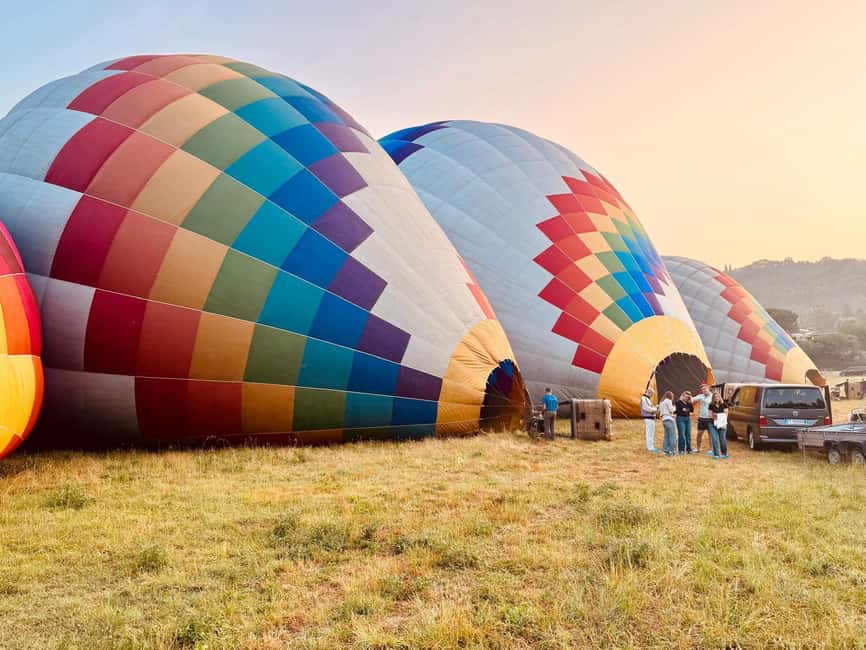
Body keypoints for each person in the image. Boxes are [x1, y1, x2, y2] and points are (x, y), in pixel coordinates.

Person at [691, 384, 713, 453]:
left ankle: (711, 449)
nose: (704, 390)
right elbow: (692, 399)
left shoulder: (713, 396)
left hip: (710, 418)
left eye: (705, 389)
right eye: (703, 389)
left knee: (711, 435)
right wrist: (688, 396)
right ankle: (698, 448)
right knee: (699, 434)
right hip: (702, 418)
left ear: (708, 389)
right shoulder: (700, 396)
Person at [708, 391, 729, 460]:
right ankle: (716, 454)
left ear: (720, 397)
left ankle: (724, 453)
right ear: (713, 398)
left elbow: (726, 414)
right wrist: (716, 416)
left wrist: (717, 415)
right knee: (714, 439)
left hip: (722, 424)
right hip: (712, 424)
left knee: (722, 439)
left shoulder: (724, 405)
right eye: (715, 397)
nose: (716, 398)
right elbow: (710, 415)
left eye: (718, 397)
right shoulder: (711, 405)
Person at [640, 388, 659, 452]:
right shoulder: (644, 399)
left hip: (651, 418)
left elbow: (650, 407)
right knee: (649, 433)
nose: (652, 396)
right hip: (648, 418)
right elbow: (647, 408)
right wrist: (655, 409)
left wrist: (654, 408)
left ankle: (651, 446)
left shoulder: (647, 399)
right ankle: (650, 447)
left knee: (651, 433)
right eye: (652, 394)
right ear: (650, 393)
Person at [659, 391, 677, 456]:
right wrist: (675, 407)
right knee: (673, 436)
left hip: (664, 420)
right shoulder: (668, 401)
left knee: (666, 436)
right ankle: (673, 451)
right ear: (670, 396)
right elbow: (671, 410)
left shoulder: (661, 402)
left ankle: (665, 450)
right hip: (669, 420)